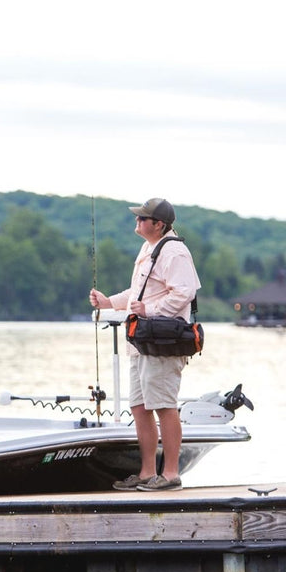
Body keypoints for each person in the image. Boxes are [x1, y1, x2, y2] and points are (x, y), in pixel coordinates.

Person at [88, 198, 200, 492]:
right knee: (139, 406)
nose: (137, 222)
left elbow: (184, 293)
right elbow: (139, 292)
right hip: (141, 343)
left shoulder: (174, 250)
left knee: (164, 405)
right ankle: (148, 472)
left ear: (158, 224)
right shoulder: (148, 248)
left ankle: (171, 473)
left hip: (162, 342)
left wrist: (149, 310)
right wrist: (109, 302)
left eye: (142, 218)